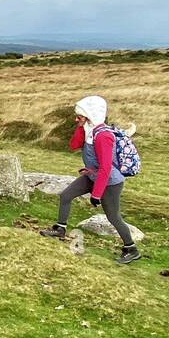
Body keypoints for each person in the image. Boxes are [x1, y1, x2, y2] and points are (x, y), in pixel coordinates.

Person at [39, 95, 140, 264]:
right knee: (65, 196)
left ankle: (131, 249)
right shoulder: (89, 131)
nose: (76, 118)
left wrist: (96, 194)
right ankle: (60, 229)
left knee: (113, 217)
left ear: (90, 116)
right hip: (92, 175)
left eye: (79, 116)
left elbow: (106, 169)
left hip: (110, 182)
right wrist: (82, 126)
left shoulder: (103, 136)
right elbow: (73, 146)